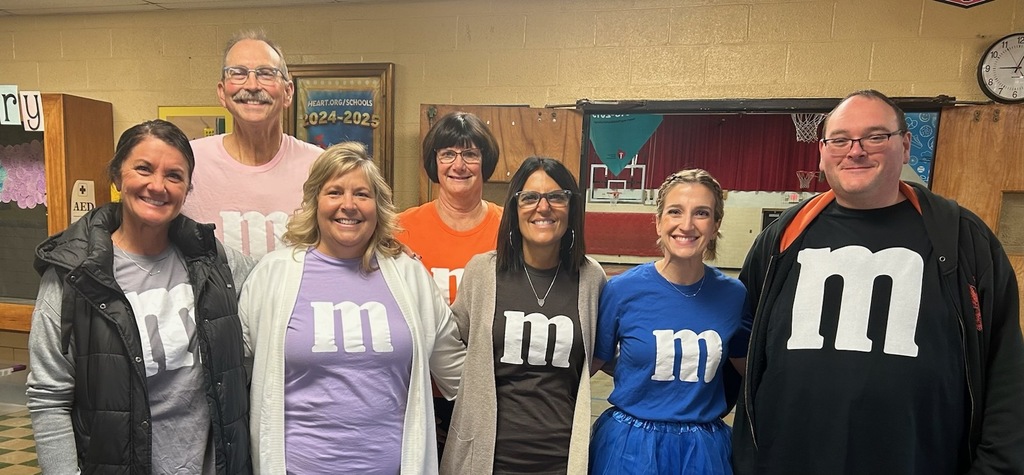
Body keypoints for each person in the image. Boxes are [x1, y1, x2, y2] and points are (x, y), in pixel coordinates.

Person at [732, 90, 1024, 474]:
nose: (855, 151)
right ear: (822, 151)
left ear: (904, 146)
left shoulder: (963, 239)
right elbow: (745, 341)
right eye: (840, 139)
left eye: (875, 136)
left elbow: (1006, 368)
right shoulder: (781, 238)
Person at [26, 119, 255, 474]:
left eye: (174, 176)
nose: (157, 186)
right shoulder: (73, 275)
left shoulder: (214, 262)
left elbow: (280, 282)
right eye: (143, 169)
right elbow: (48, 398)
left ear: (187, 188)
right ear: (117, 176)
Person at [239, 142, 466, 474]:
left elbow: (458, 373)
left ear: (378, 206)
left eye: (362, 194)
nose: (349, 205)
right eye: (334, 192)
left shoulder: (408, 275)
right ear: (315, 201)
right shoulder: (274, 275)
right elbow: (233, 374)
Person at [440, 157, 607, 475]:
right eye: (529, 197)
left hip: (561, 459)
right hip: (487, 458)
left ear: (571, 208)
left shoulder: (591, 278)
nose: (543, 207)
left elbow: (604, 353)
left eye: (556, 197)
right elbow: (447, 339)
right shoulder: (483, 272)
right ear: (514, 208)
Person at [590, 169, 748, 474]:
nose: (686, 225)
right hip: (629, 449)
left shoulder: (733, 296)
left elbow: (752, 373)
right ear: (659, 220)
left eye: (701, 213)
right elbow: (589, 365)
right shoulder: (622, 291)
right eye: (675, 211)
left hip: (702, 450)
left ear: (716, 225)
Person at [394, 110, 501, 456]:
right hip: (417, 393)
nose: (459, 164)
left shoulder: (510, 229)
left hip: (490, 391)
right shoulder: (400, 229)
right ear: (434, 162)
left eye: (470, 154)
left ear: (485, 162)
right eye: (448, 154)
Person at [181, 29, 322, 259]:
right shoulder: (188, 163)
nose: (253, 85)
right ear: (222, 93)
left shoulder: (319, 166)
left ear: (288, 92)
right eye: (238, 73)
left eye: (266, 74)